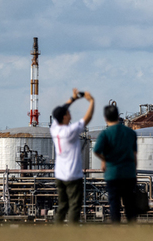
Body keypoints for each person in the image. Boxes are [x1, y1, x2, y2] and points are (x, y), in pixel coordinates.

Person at [50, 89, 94, 223]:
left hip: (60, 174)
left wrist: (72, 99)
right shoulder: (70, 131)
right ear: (64, 117)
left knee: (62, 205)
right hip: (73, 174)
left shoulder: (54, 128)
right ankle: (72, 232)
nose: (70, 114)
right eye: (68, 113)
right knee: (75, 205)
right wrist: (91, 101)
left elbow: (61, 110)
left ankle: (57, 230)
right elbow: (87, 119)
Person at [93, 103, 139, 223]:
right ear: (118, 116)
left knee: (114, 203)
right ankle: (132, 230)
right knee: (129, 203)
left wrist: (104, 160)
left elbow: (96, 150)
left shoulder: (105, 134)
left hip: (112, 173)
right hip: (128, 173)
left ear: (105, 118)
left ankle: (116, 230)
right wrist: (134, 171)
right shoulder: (131, 133)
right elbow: (134, 155)